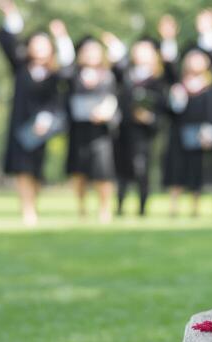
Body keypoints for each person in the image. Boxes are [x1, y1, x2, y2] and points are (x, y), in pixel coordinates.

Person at [0, 0, 74, 226]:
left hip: (42, 127)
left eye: (43, 44)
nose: (39, 48)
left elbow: (69, 70)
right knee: (21, 168)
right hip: (20, 125)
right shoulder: (20, 67)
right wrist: (12, 14)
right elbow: (8, 42)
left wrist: (61, 37)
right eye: (35, 44)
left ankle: (33, 203)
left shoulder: (55, 74)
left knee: (36, 169)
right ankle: (27, 209)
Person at [102, 33, 166, 217]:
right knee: (122, 169)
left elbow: (163, 107)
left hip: (144, 133)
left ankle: (142, 207)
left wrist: (150, 117)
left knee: (141, 169)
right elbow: (116, 69)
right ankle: (120, 205)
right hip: (124, 130)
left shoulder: (158, 80)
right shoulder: (127, 75)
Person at [63, 32, 121, 223]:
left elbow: (115, 96)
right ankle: (82, 209)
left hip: (101, 130)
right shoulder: (73, 74)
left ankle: (104, 208)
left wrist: (107, 111)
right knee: (79, 171)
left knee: (103, 171)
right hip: (78, 129)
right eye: (86, 51)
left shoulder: (108, 75)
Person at [163, 48, 212, 217]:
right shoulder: (179, 85)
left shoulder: (209, 87)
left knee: (196, 170)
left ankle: (195, 207)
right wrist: (176, 98)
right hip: (178, 132)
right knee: (176, 168)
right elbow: (172, 111)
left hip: (199, 134)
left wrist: (210, 133)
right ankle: (174, 206)